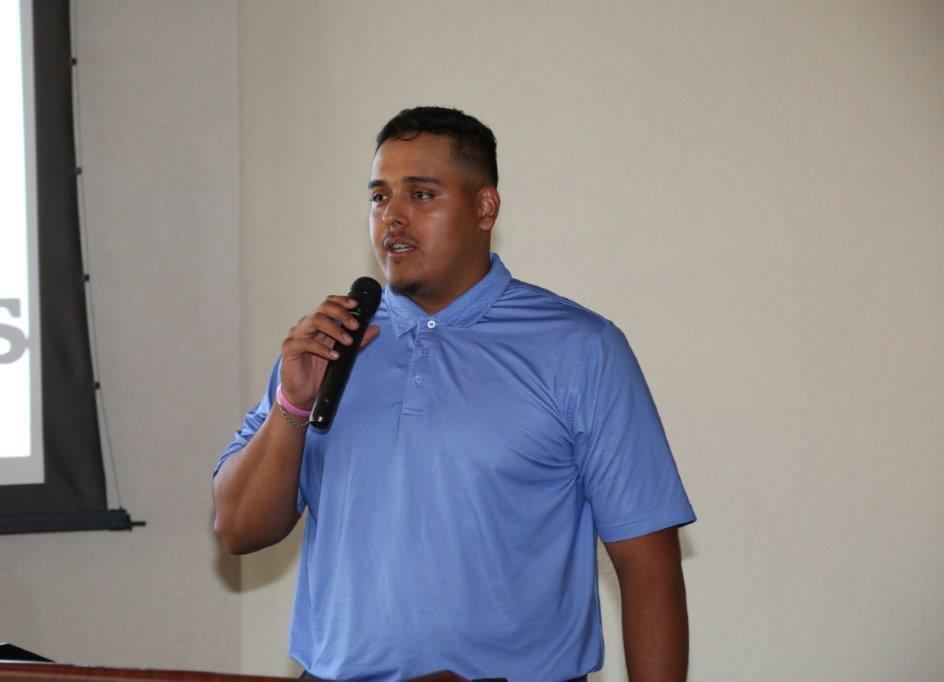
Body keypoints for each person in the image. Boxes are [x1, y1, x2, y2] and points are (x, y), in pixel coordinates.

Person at [213, 106, 697, 682]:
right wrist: (292, 406)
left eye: (420, 195)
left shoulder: (581, 350)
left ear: (485, 207)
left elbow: (649, 568)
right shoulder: (327, 345)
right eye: (379, 197)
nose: (392, 217)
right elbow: (238, 529)